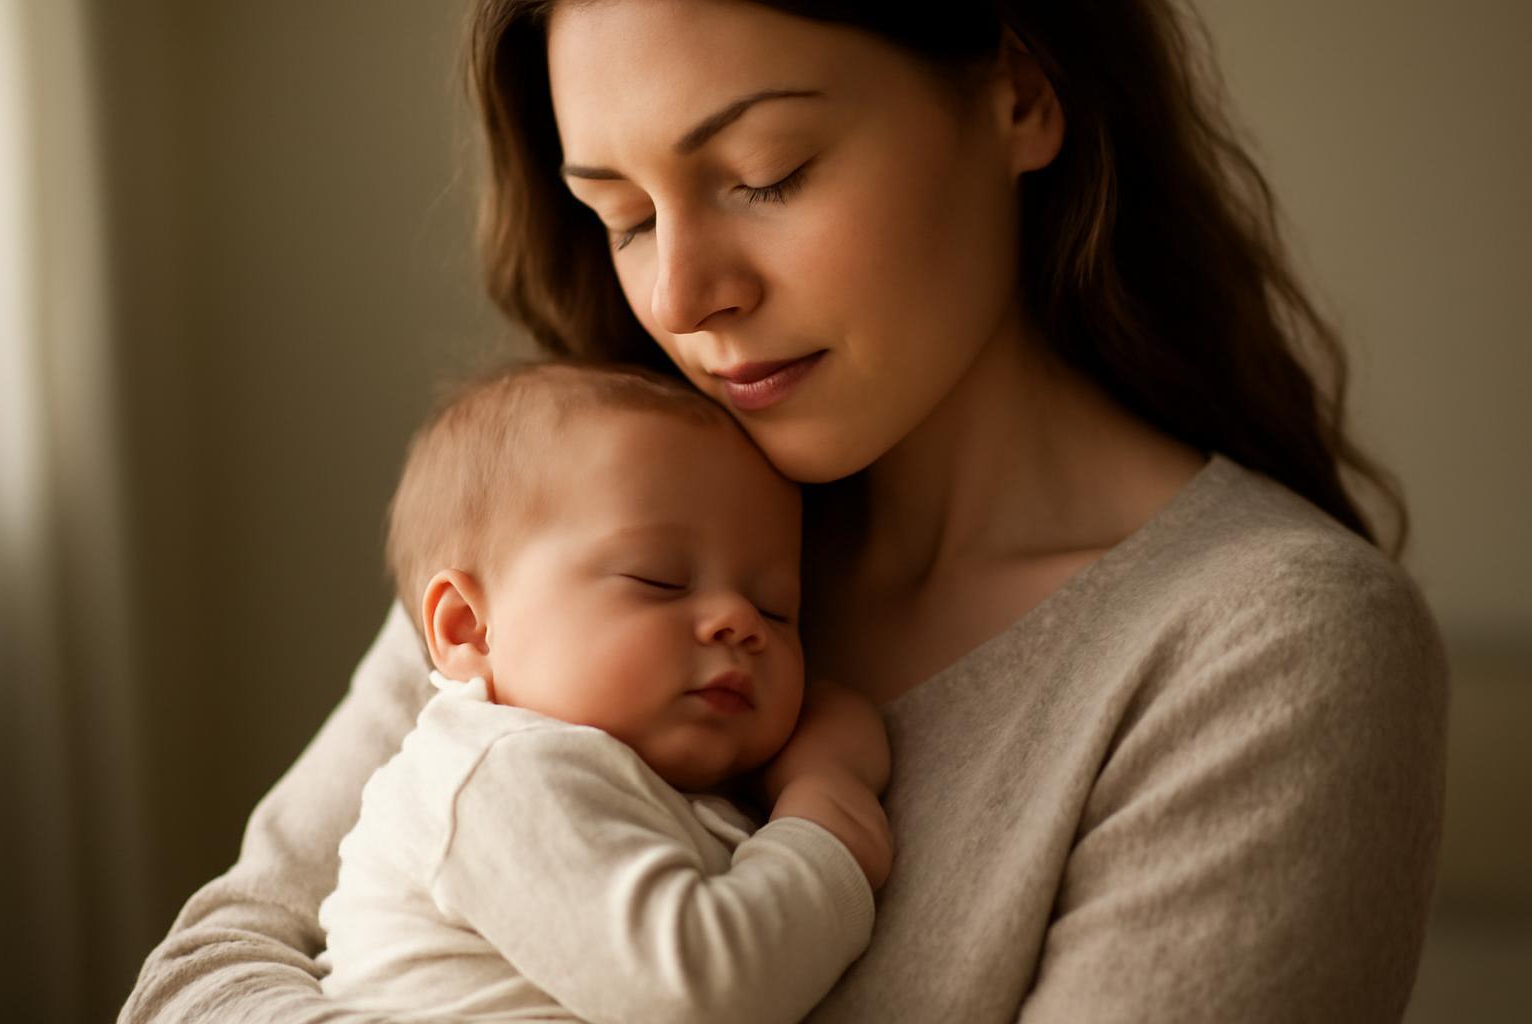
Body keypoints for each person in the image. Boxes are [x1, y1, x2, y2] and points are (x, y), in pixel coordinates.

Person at [121, 2, 1449, 1021]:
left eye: (764, 172)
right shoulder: (587, 539)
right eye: (624, 216)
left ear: (1020, 90)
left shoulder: (1265, 647)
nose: (686, 293)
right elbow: (203, 972)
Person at [316, 361, 889, 1023]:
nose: (739, 620)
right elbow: (700, 990)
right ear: (469, 628)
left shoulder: (662, 784)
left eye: (777, 607)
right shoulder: (498, 775)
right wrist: (830, 808)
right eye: (660, 580)